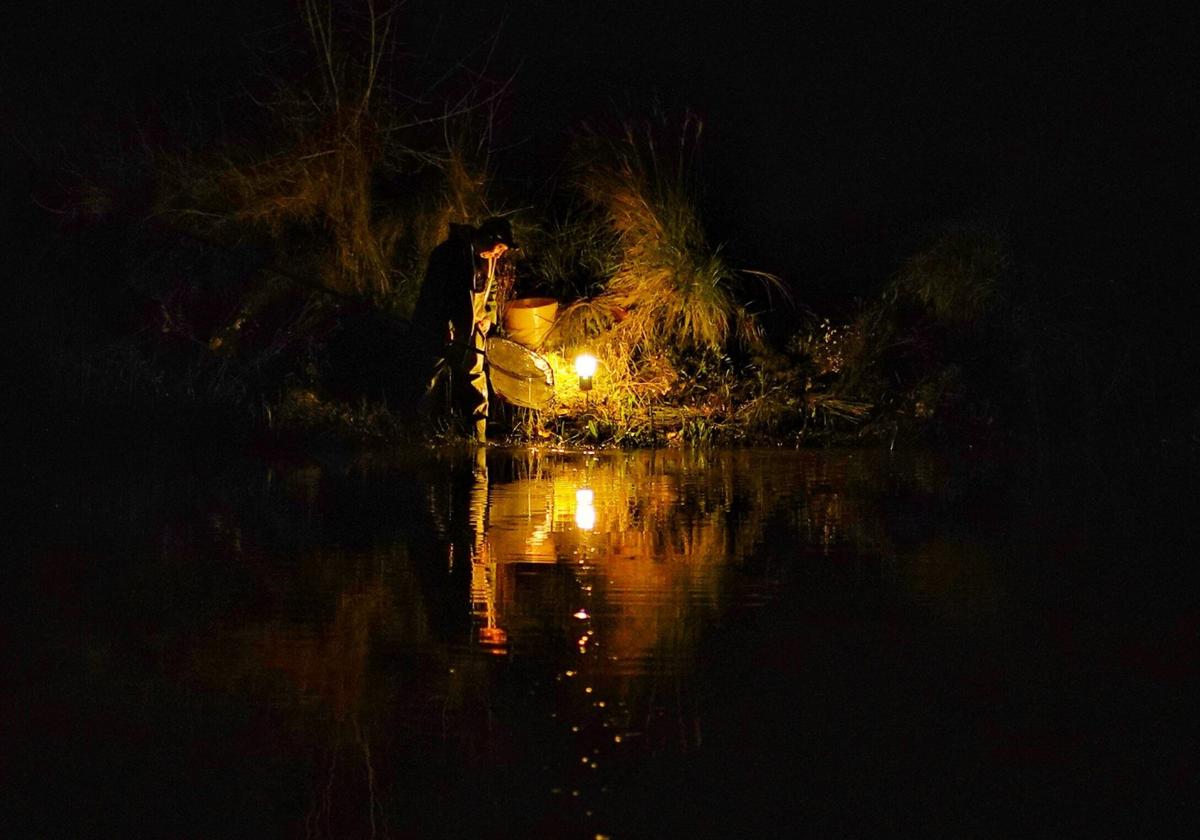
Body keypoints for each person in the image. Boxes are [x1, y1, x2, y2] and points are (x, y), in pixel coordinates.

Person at [411, 217, 515, 442]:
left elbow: (492, 290)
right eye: (498, 249)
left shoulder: (489, 261)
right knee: (428, 377)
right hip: (438, 328)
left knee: (475, 380)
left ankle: (478, 438)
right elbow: (435, 293)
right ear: (488, 238)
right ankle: (416, 433)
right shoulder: (448, 254)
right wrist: (445, 326)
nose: (498, 255)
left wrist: (488, 317)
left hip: (473, 329)